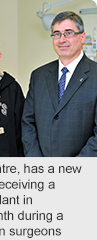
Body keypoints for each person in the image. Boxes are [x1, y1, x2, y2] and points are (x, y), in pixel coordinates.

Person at [22, 11, 97, 157]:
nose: (61, 39)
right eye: (56, 34)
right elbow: (28, 123)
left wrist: (71, 170)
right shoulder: (38, 76)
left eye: (68, 33)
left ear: (82, 37)